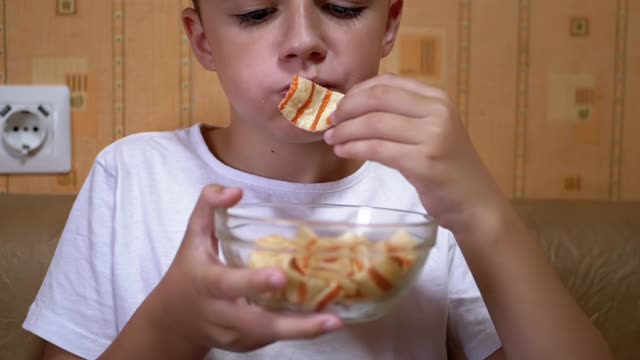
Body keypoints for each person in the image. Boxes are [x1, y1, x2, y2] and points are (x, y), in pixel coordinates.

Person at [24, 0, 611, 359]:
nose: (304, 41)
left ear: (390, 23)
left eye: (344, 6)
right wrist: (171, 326)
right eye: (256, 12)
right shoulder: (132, 176)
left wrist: (483, 212)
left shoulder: (423, 192)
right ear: (203, 39)